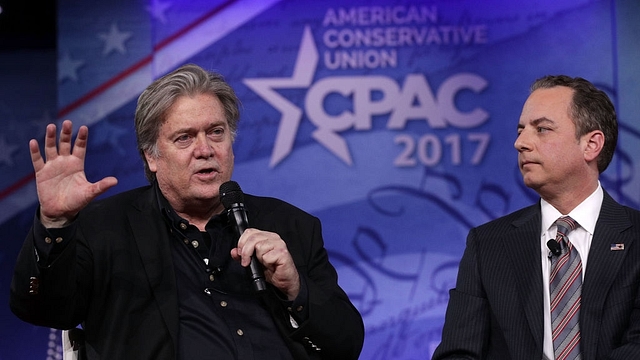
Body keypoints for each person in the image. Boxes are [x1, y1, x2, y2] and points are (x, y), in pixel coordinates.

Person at [10, 63, 365, 360]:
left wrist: (296, 290)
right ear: (152, 156)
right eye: (184, 138)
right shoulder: (104, 229)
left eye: (216, 132)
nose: (205, 149)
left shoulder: (291, 226)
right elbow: (42, 310)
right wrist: (54, 223)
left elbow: (347, 344)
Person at [432, 75, 640, 359]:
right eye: (521, 130)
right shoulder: (488, 245)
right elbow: (458, 353)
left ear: (591, 145)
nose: (521, 143)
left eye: (542, 129)